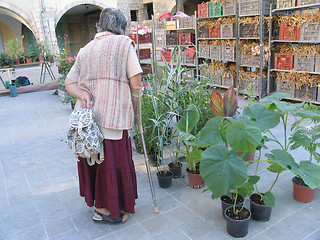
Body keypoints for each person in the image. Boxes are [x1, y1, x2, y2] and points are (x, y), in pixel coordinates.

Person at [65, 8, 142, 224]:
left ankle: (99, 206)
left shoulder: (85, 49)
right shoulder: (123, 44)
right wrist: (136, 112)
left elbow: (69, 82)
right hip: (112, 117)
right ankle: (108, 211)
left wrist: (83, 93)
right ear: (120, 26)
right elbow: (136, 83)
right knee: (112, 163)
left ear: (100, 25)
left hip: (88, 122)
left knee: (95, 162)